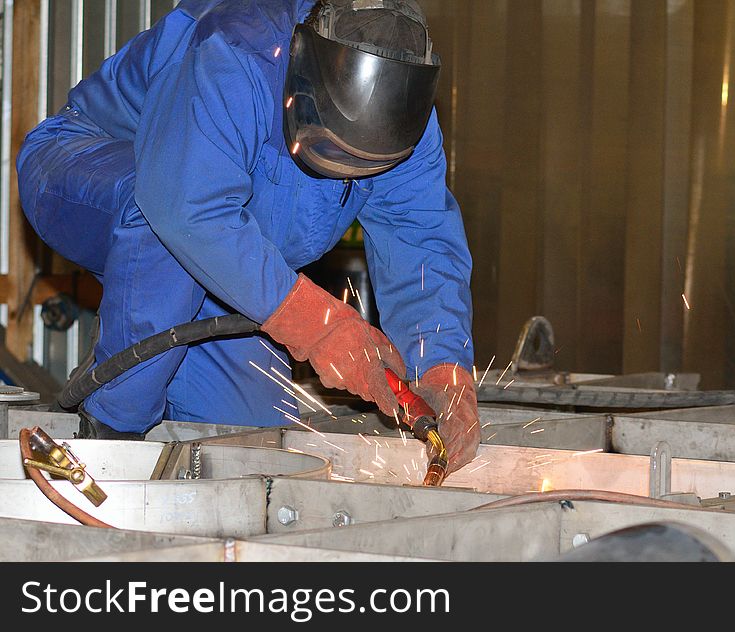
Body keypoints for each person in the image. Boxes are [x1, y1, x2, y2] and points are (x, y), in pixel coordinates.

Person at [16, 0, 479, 474]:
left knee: (252, 448)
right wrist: (317, 325)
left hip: (221, 245)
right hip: (86, 170)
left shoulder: (408, 113)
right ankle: (110, 440)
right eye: (332, 151)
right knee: (165, 225)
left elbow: (420, 238)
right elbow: (185, 207)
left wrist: (441, 365)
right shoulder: (239, 50)